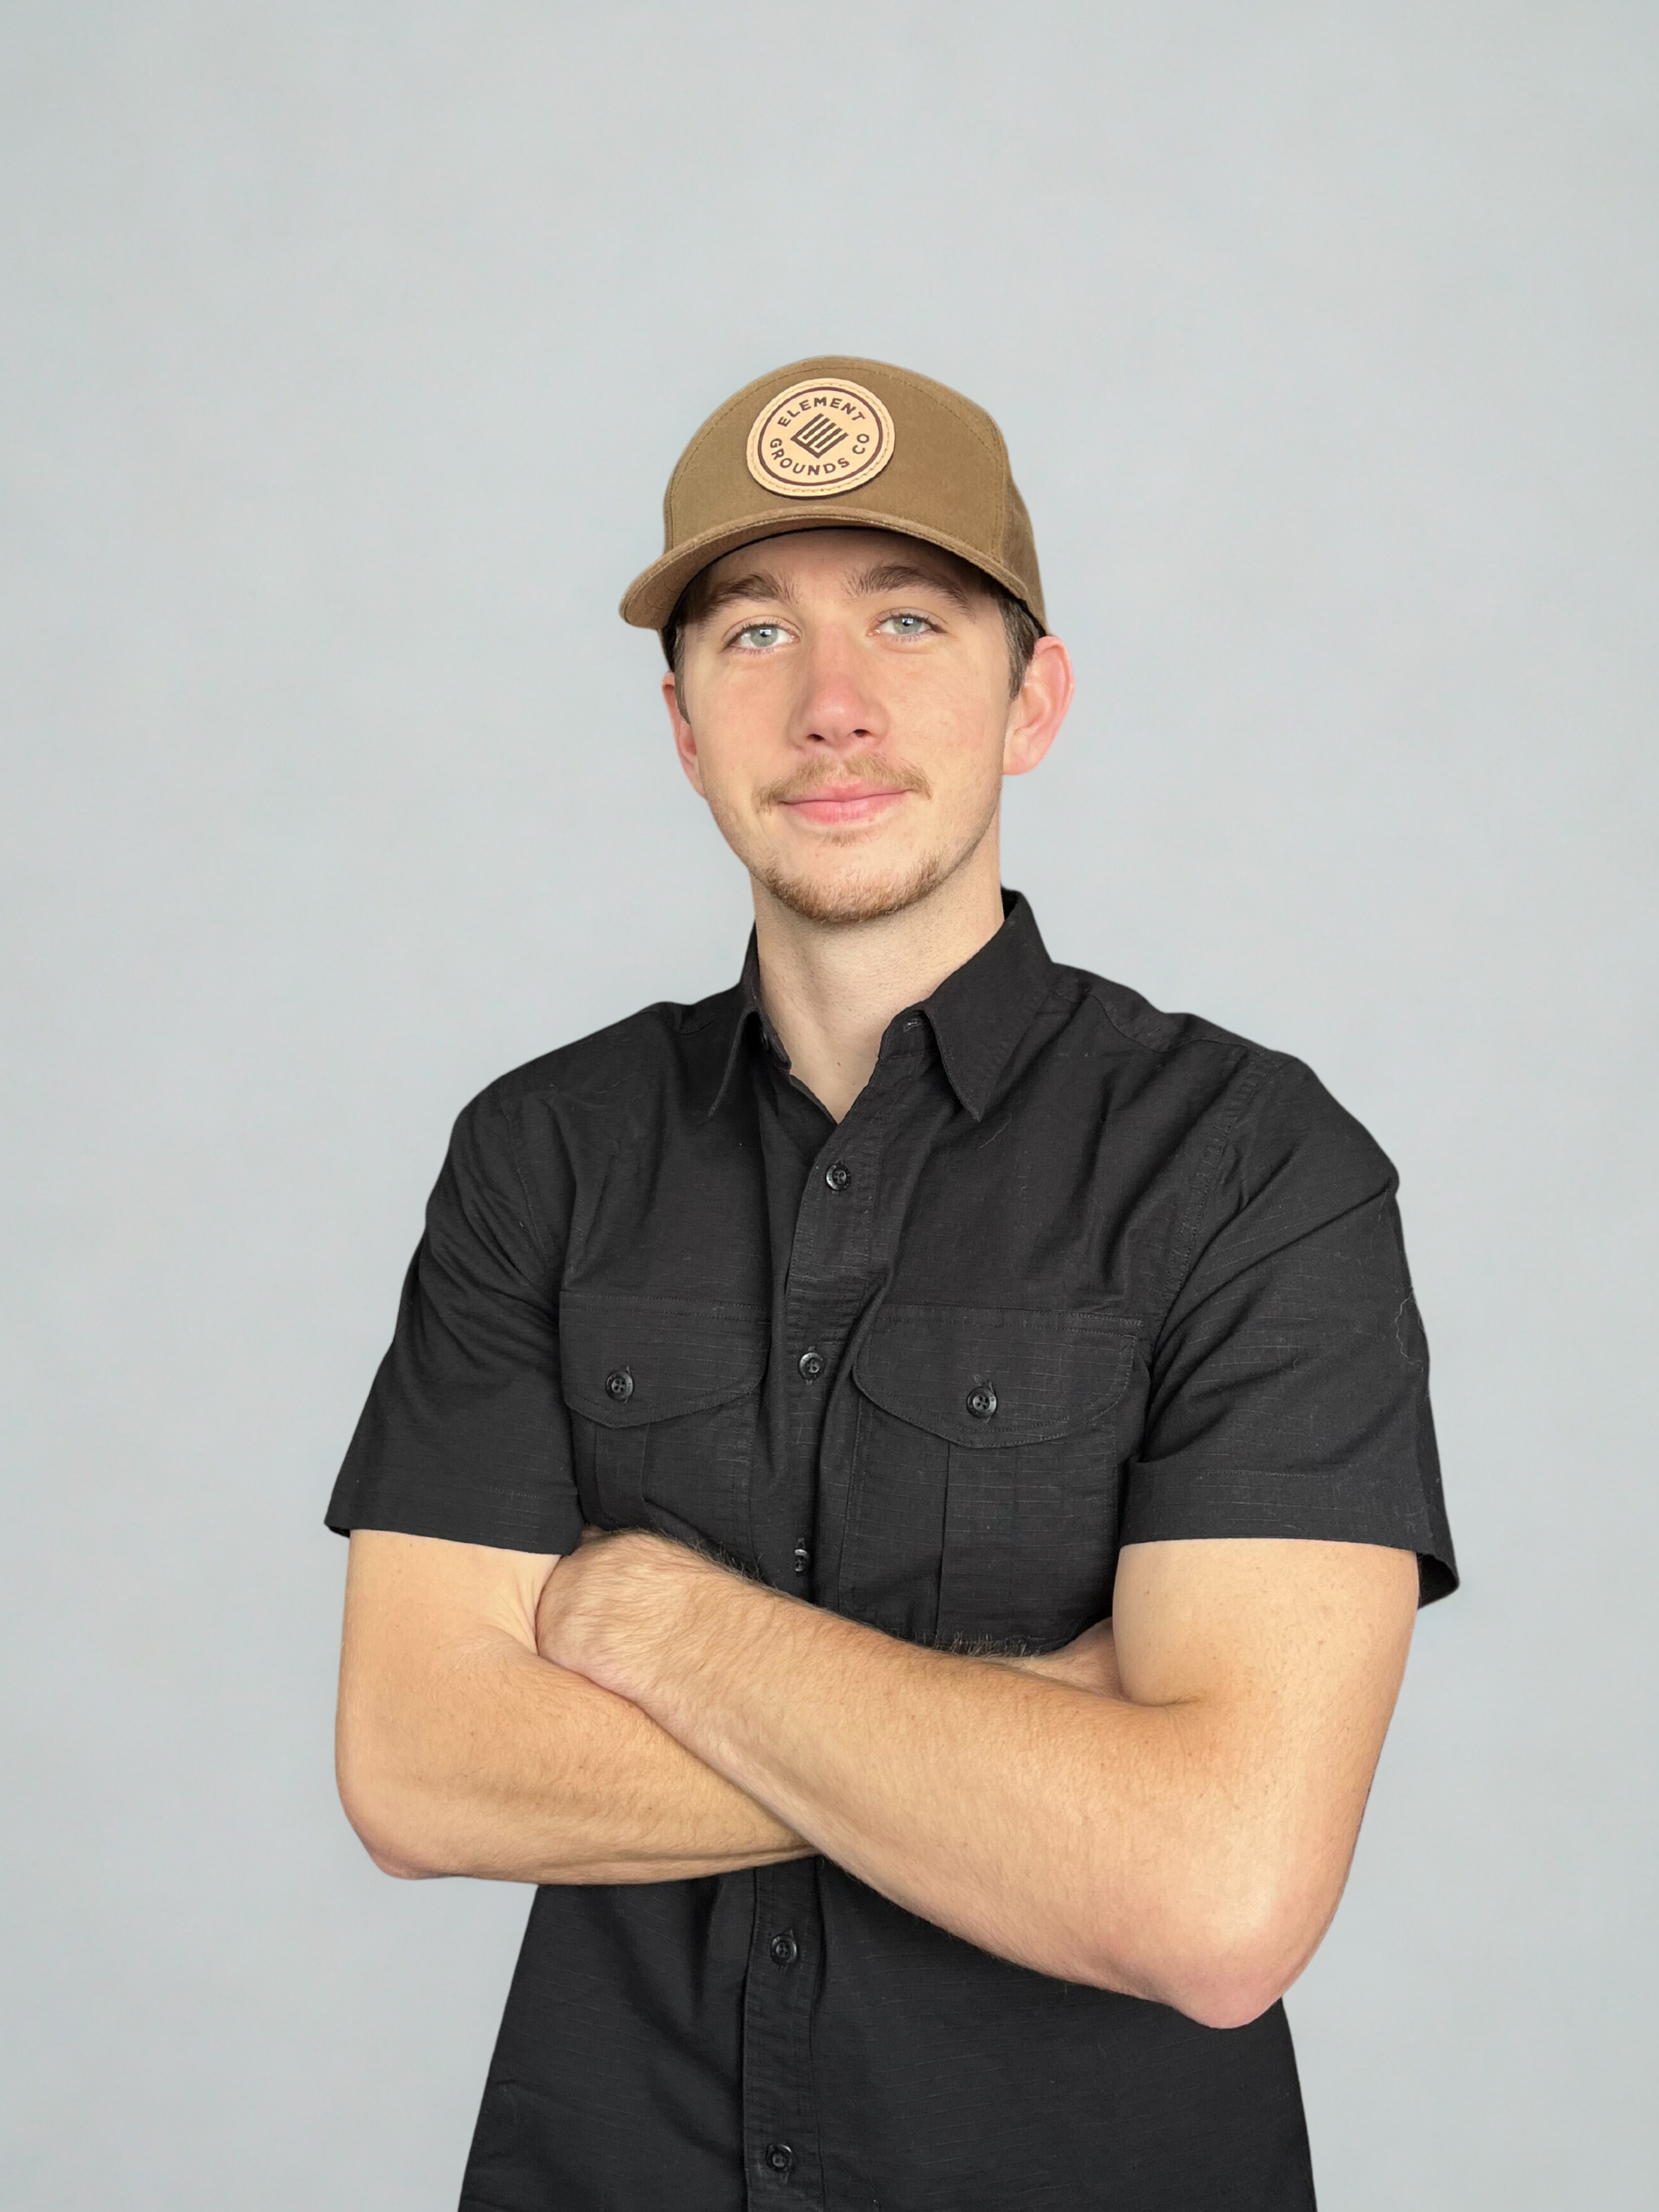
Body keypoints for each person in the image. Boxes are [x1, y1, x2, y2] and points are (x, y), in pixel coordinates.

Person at [328, 356, 1457, 2211]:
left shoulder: (1253, 1170)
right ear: (683, 726)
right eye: (754, 632)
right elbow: (419, 1766)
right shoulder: (545, 1153)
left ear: (1035, 698)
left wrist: (654, 1624)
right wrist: (1057, 1747)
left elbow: (1219, 1896)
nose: (831, 706)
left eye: (910, 620)